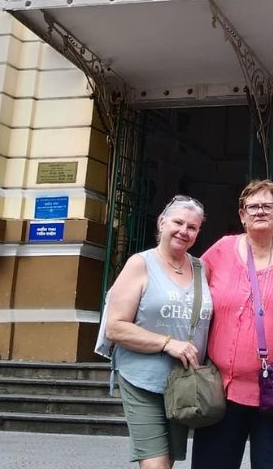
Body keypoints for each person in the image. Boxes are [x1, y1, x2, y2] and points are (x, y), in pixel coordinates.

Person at [191, 180, 273, 469]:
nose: (260, 212)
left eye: (268, 206)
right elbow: (188, 289)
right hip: (223, 391)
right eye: (253, 206)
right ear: (242, 214)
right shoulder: (221, 250)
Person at [104, 195, 212, 469]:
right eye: (177, 222)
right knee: (155, 464)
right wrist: (167, 343)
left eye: (192, 227)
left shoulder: (201, 269)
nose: (183, 231)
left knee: (168, 462)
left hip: (183, 383)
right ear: (162, 222)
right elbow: (115, 327)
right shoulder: (140, 264)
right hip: (142, 378)